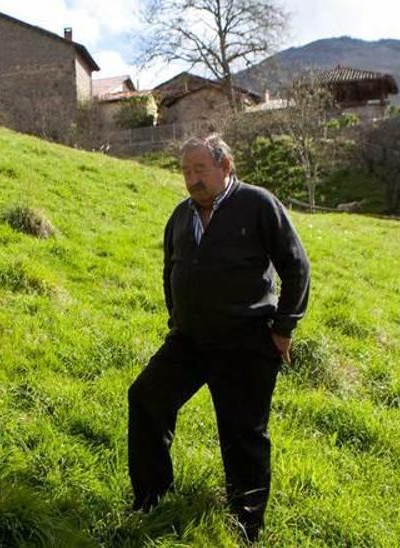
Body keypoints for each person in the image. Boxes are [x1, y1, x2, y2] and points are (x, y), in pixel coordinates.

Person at [128, 134, 311, 542]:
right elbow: (169, 270)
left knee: (242, 434)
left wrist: (283, 329)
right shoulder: (180, 215)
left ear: (225, 167)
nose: (192, 180)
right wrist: (177, 317)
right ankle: (151, 500)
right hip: (190, 341)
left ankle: (246, 524)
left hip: (245, 343)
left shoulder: (258, 204)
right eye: (186, 172)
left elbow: (296, 267)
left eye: (200, 170)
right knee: (145, 398)